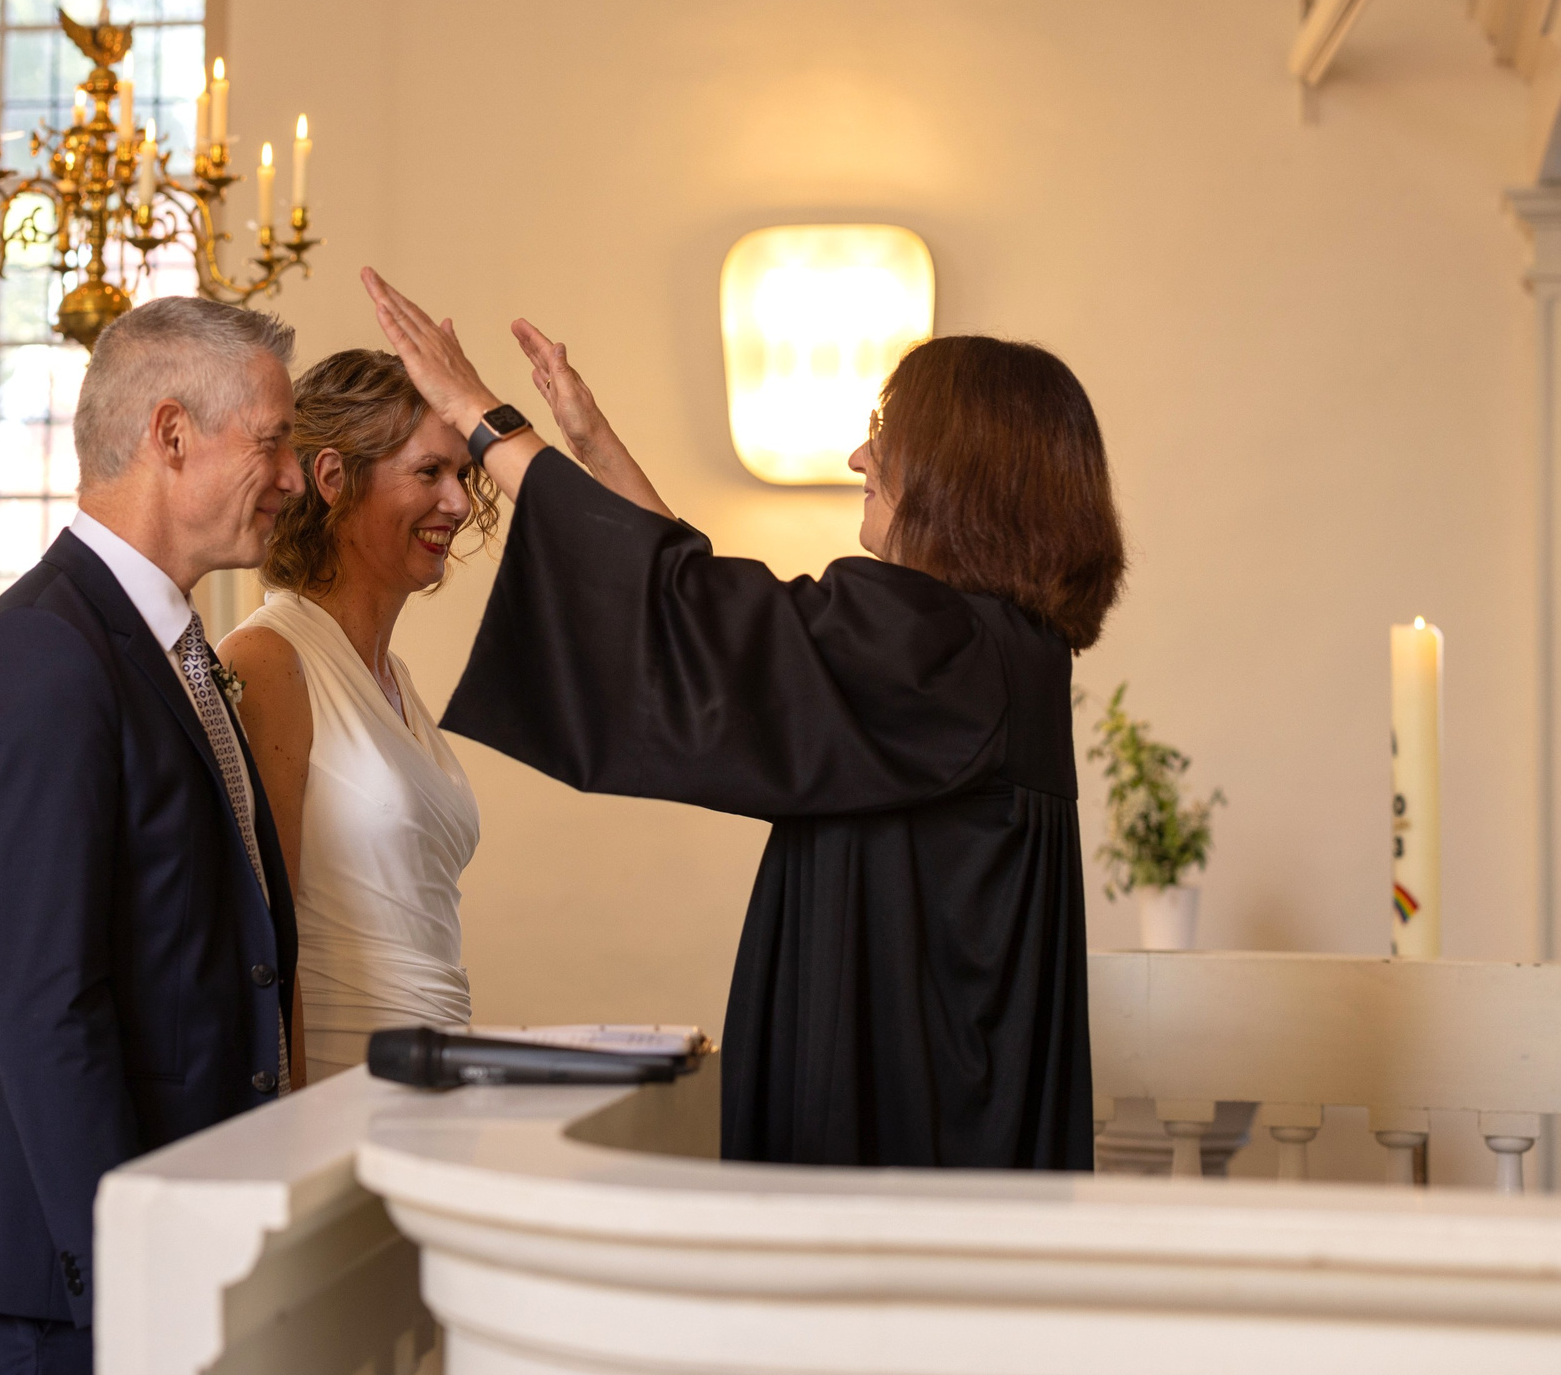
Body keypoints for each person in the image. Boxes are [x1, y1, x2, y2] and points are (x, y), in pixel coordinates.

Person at [362, 267, 1123, 1171]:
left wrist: (481, 414)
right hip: (948, 1114)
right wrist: (597, 449)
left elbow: (714, 627)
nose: (859, 458)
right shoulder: (988, 649)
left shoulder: (941, 647)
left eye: (884, 434)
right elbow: (723, 628)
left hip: (910, 1146)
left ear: (962, 472)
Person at [0, 297, 303, 1375]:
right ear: (173, 434)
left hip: (166, 1234)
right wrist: (129, 1257)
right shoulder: (44, 655)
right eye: (273, 440)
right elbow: (45, 1006)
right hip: (66, 1282)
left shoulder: (165, 644)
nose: (289, 477)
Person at [219, 350, 495, 1083]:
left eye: (462, 475)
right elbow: (263, 939)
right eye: (429, 472)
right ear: (335, 479)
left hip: (435, 1067)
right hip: (339, 1078)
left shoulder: (393, 676)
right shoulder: (268, 661)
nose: (459, 504)